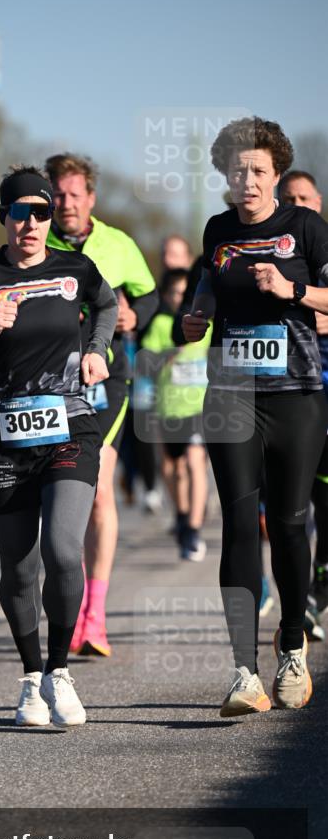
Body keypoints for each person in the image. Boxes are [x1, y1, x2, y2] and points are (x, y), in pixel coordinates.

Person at [0, 166, 118, 726]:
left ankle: (61, 672)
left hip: (72, 424)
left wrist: (98, 349)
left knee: (64, 550)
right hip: (6, 437)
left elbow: (106, 306)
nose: (33, 223)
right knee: (19, 569)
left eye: (42, 213)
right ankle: (32, 678)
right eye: (22, 212)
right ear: (5, 217)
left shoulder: (75, 267)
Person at [181, 117, 328, 717]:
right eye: (237, 170)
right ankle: (245, 672)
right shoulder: (217, 230)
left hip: (295, 395)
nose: (247, 180)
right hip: (231, 396)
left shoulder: (306, 227)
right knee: (240, 526)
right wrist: (195, 317)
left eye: (259, 170)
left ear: (277, 174)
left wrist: (292, 291)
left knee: (290, 525)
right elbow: (207, 293)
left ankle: (292, 647)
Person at [45, 153, 158, 656]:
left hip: (105, 381)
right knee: (56, 495)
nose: (66, 204)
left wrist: (134, 316)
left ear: (91, 197)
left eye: (74, 194)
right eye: (58, 195)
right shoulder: (35, 241)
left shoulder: (119, 244)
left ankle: (94, 614)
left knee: (97, 491)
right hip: (48, 381)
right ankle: (64, 606)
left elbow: (152, 298)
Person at [278, 171, 327, 638]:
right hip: (290, 390)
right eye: (288, 198)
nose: (296, 204)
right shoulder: (276, 251)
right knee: (292, 501)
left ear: (318, 201)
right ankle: (299, 595)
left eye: (303, 198)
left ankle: (317, 590)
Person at [140, 268, 210, 561]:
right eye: (173, 293)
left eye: (184, 293)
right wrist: (163, 357)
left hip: (199, 407)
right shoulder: (159, 324)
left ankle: (193, 528)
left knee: (195, 464)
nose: (179, 297)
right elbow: (143, 364)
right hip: (168, 407)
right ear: (165, 296)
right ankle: (181, 515)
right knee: (171, 469)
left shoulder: (205, 321)